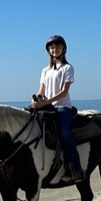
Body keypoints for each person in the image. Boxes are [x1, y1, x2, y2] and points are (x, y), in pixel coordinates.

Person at [30, 34, 84, 180]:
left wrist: (45, 103)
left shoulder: (67, 68)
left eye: (57, 46)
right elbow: (41, 89)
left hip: (62, 107)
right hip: (47, 105)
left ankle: (76, 169)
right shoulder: (45, 70)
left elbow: (64, 92)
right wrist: (37, 98)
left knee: (64, 133)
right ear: (49, 50)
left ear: (63, 49)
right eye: (52, 47)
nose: (55, 49)